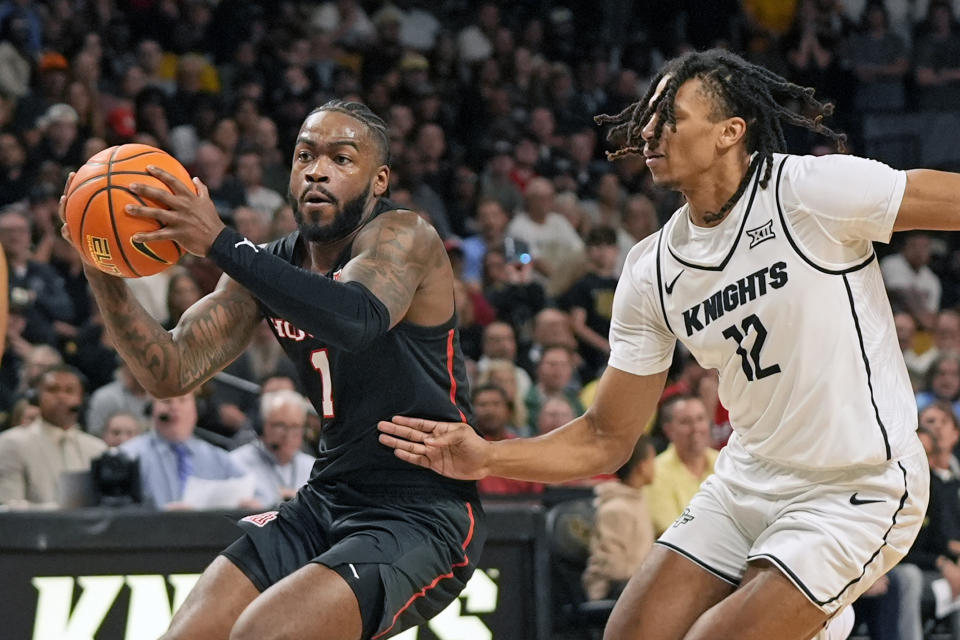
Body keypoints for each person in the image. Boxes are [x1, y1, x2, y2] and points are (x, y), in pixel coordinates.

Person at [377, 48, 947, 640]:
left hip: (857, 483)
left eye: (671, 116)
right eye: (649, 117)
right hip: (748, 481)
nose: (649, 130)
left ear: (731, 132)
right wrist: (488, 455)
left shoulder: (810, 191)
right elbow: (605, 437)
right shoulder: (651, 266)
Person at [59, 99, 484, 640]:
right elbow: (171, 371)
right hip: (326, 497)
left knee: (262, 634)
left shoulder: (405, 238)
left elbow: (357, 318)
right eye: (305, 154)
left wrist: (219, 241)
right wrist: (100, 261)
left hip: (422, 511)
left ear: (379, 181)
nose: (317, 169)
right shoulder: (267, 264)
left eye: (341, 158)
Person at [119, 391, 250, 509]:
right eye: (166, 401)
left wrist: (249, 507)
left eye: (182, 400)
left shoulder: (218, 458)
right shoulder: (129, 456)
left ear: (196, 410)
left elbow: (250, 491)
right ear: (151, 410)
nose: (175, 407)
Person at [0, 365, 105, 508]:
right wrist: (60, 511)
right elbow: (8, 507)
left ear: (81, 400)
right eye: (52, 390)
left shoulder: (97, 449)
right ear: (36, 397)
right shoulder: (12, 442)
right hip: (34, 529)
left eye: (69, 390)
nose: (61, 396)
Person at [583, 435, 657, 602]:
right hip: (613, 591)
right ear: (641, 466)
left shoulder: (639, 501)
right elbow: (613, 569)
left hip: (637, 586)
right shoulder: (615, 509)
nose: (655, 465)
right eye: (652, 459)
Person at [645, 394, 719, 535]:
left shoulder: (725, 463)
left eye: (700, 419)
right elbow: (669, 534)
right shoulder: (655, 472)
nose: (696, 428)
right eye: (686, 422)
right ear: (668, 430)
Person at [230, 389, 315, 507]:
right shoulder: (237, 462)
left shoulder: (312, 467)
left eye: (295, 427)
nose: (288, 435)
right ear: (262, 426)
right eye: (280, 425)